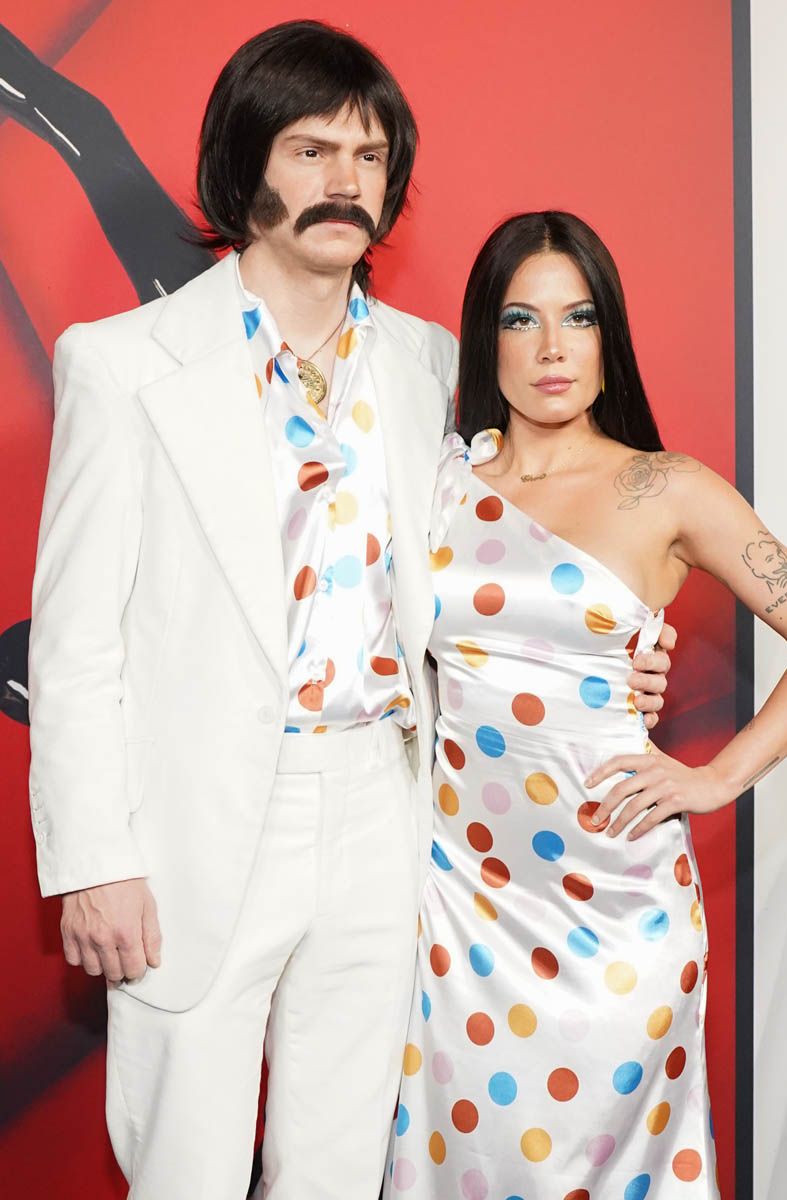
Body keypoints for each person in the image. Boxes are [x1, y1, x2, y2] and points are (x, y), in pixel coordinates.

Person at [25, 25, 673, 1200]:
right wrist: (91, 860)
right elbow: (74, 645)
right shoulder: (120, 365)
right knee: (183, 1170)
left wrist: (617, 651)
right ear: (244, 165)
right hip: (194, 823)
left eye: (368, 157)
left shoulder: (432, 367)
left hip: (385, 805)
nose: (344, 181)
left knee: (336, 1166)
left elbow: (515, 551)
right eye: (311, 149)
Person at [384, 211, 787, 1200]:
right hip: (460, 907)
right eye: (521, 319)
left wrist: (716, 776)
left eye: (579, 317)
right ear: (486, 338)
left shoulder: (666, 489)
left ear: (609, 338)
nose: (552, 348)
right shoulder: (435, 483)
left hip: (618, 908)